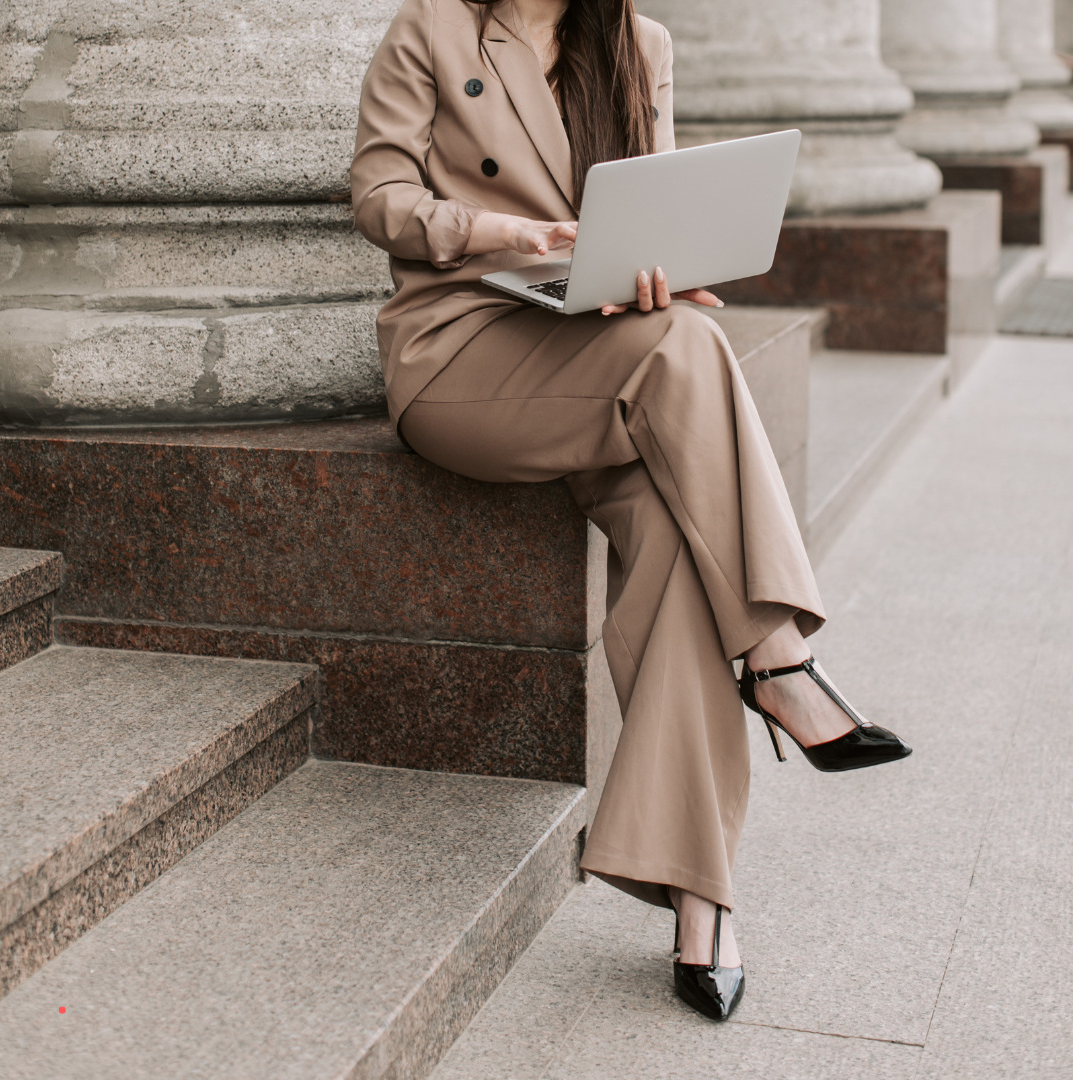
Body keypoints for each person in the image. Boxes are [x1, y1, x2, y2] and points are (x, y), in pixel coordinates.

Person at [349, 0, 911, 1022]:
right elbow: (378, 197)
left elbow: (662, 226)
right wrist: (508, 232)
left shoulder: (639, 46)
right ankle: (779, 657)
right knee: (693, 362)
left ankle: (704, 902)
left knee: (679, 535)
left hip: (595, 347)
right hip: (461, 349)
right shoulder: (431, 27)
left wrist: (658, 278)